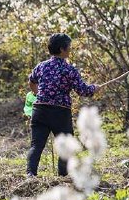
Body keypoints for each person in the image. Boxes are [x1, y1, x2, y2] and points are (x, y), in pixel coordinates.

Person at [27, 33, 100, 177]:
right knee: (66, 146)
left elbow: (32, 81)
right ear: (62, 49)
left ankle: (30, 174)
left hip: (39, 110)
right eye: (69, 47)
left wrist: (38, 95)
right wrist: (94, 88)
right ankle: (62, 177)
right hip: (59, 113)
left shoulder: (41, 66)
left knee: (36, 145)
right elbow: (83, 91)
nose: (70, 50)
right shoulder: (69, 70)